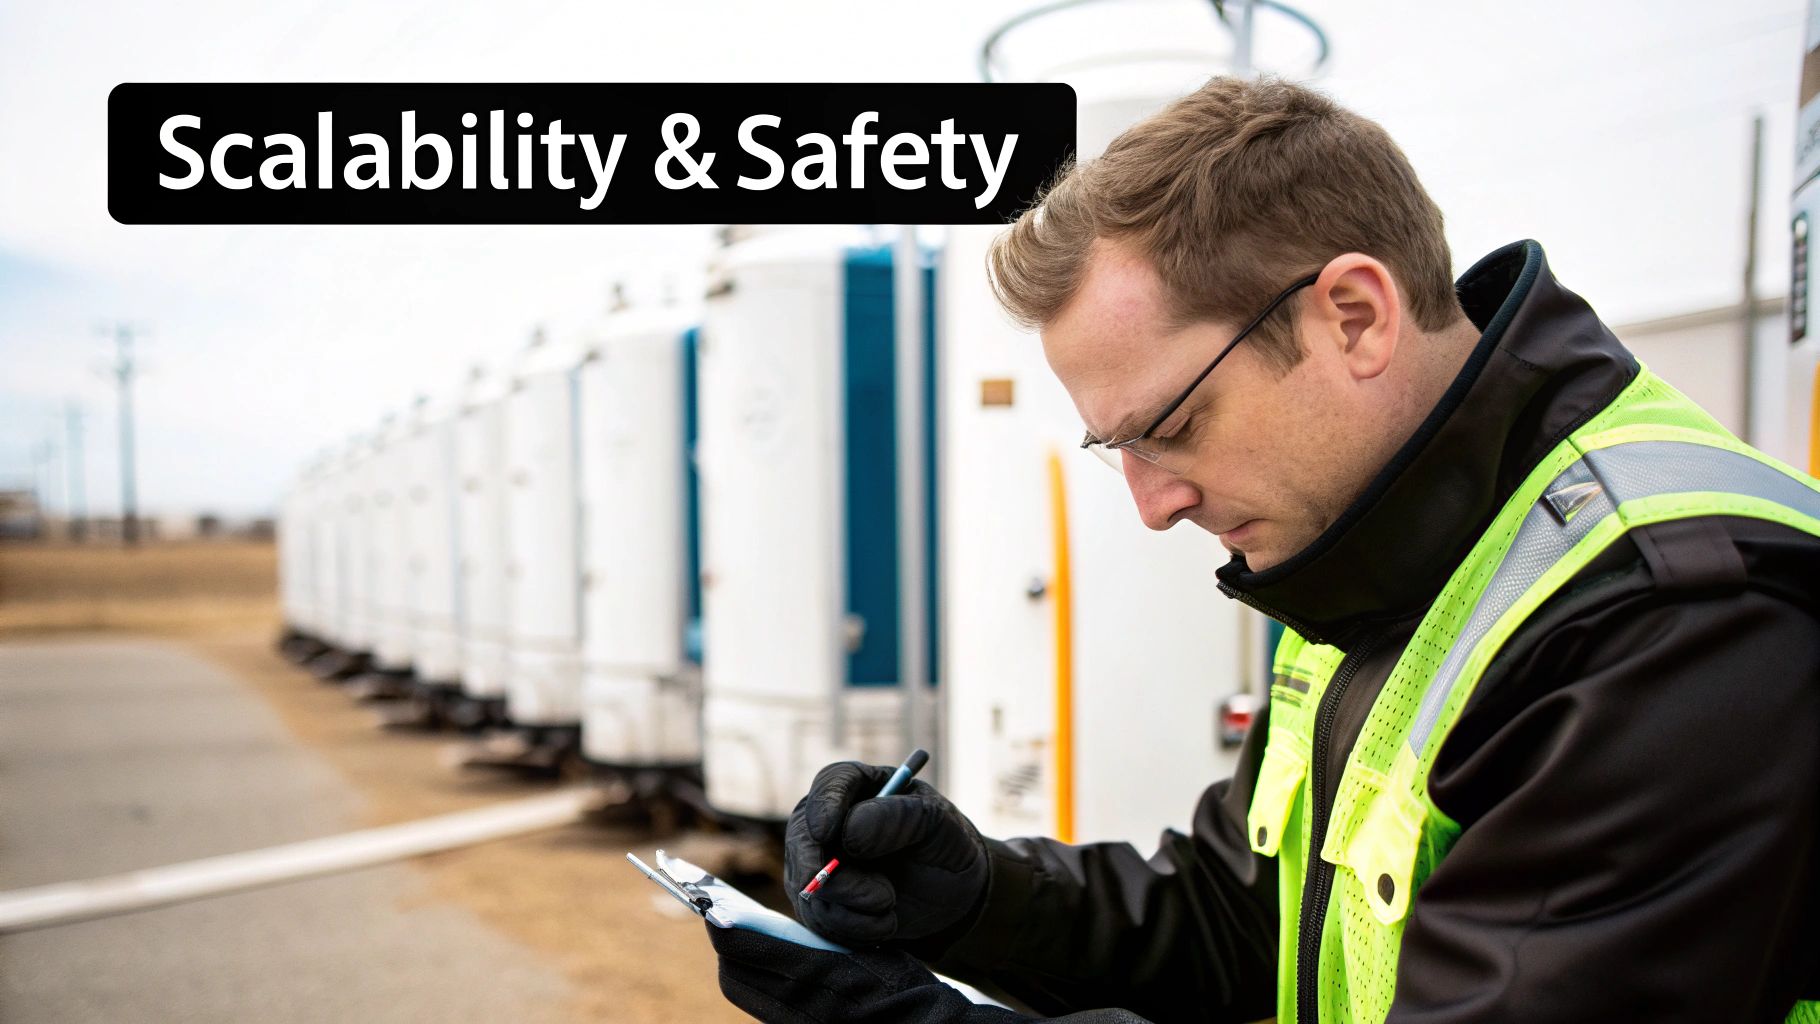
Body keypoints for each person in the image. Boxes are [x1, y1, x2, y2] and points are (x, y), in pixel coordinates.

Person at [707, 75, 1820, 1023]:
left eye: (1172, 425)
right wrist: (976, 899)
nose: (1150, 503)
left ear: (1352, 314)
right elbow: (1248, 917)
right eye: (1116, 449)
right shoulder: (1373, 564)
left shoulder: (1663, 623)